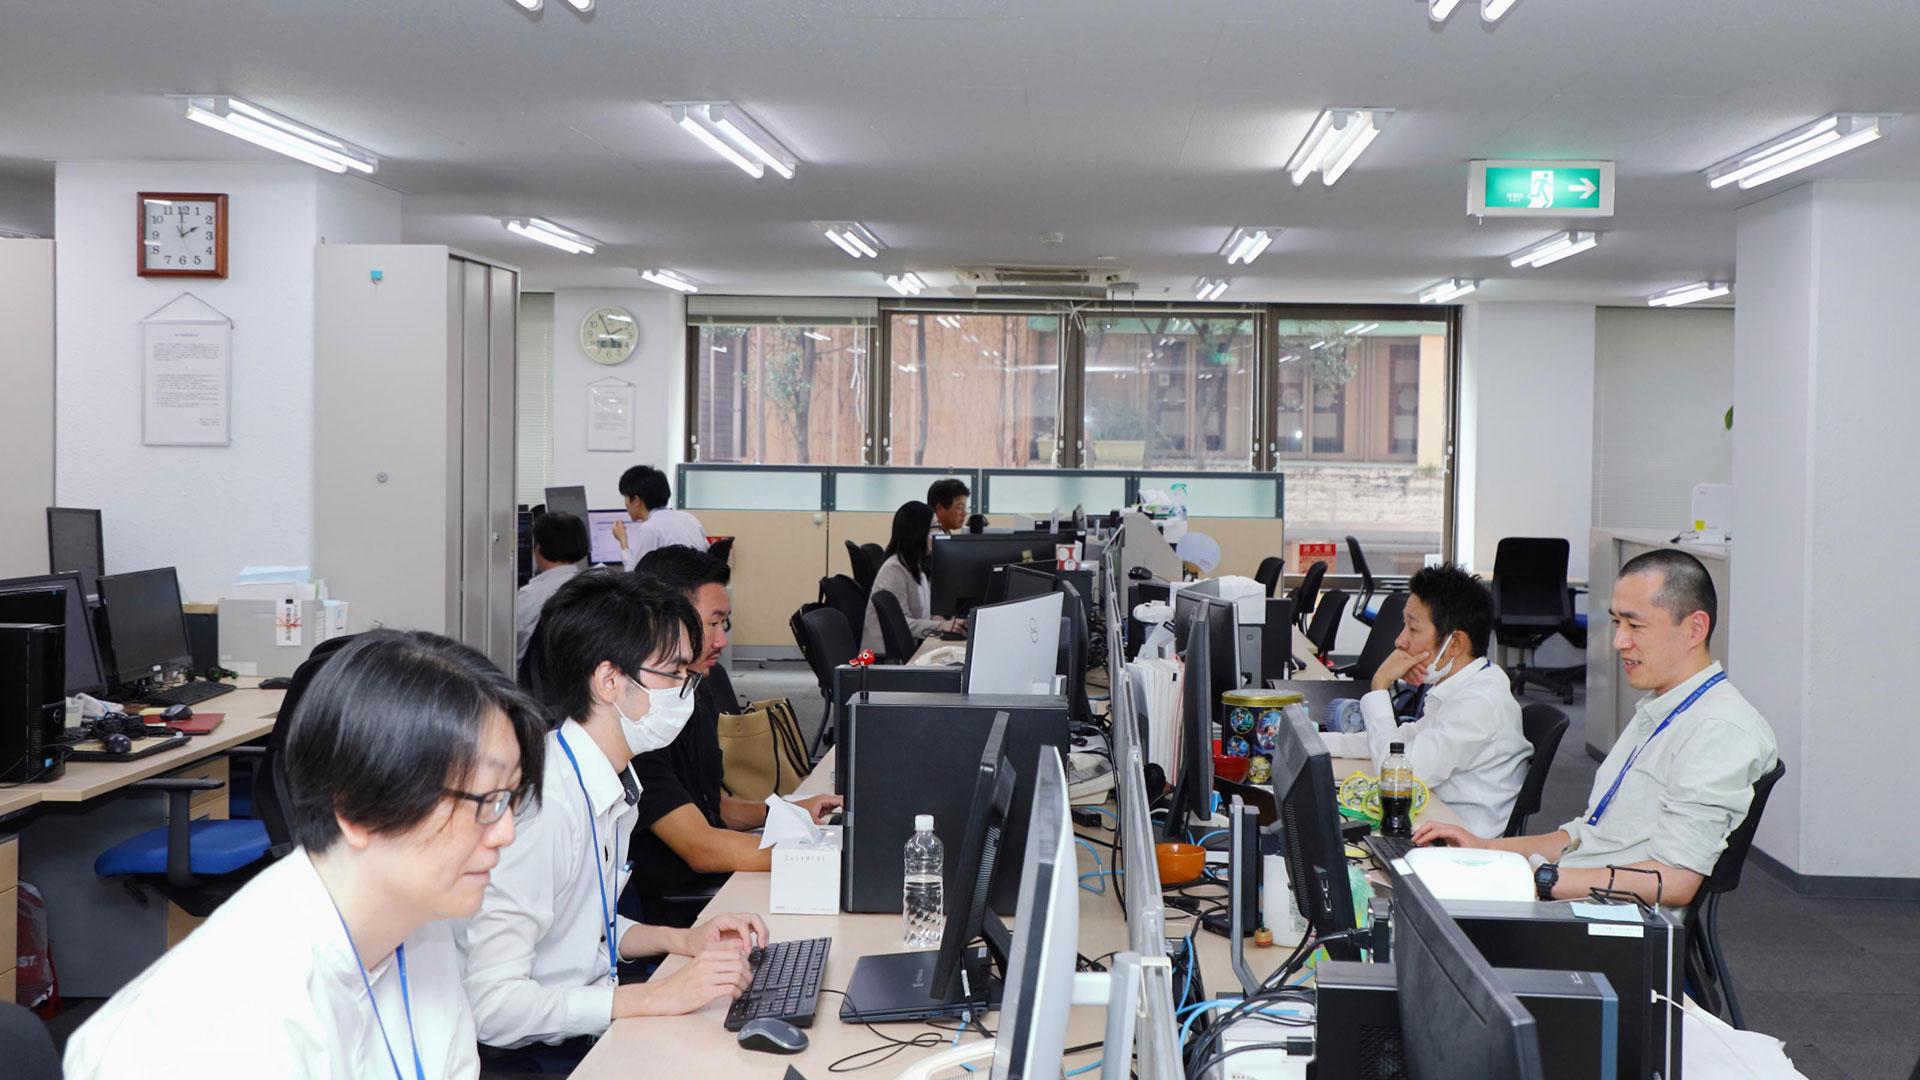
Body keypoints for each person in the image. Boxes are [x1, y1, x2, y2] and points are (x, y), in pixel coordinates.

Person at [65, 630, 547, 1079]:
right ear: (358, 810)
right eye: (486, 801)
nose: (506, 832)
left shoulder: (418, 925)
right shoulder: (221, 1037)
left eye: (511, 797)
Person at [462, 569, 766, 1071]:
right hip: (531, 1059)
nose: (686, 690)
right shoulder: (544, 810)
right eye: (674, 674)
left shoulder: (609, 780)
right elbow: (492, 1008)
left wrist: (683, 940)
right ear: (610, 681)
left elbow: (582, 926)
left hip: (582, 1027)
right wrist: (657, 996)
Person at [1414, 549, 1777, 908]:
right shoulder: (1662, 708)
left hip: (1606, 919)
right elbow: (1587, 836)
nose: (1619, 641)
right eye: (1617, 623)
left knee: (1416, 910)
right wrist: (1486, 848)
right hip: (1572, 891)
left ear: (1695, 628)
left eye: (1635, 625)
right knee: (1412, 884)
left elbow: (1674, 881)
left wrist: (1541, 881)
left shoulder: (1719, 729)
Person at [622, 547, 842, 925]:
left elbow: (709, 805)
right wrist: (817, 857)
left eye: (725, 624)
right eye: (713, 623)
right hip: (681, 908)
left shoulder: (697, 690)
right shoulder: (640, 722)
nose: (721, 640)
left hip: (721, 882)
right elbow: (701, 848)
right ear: (667, 621)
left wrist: (787, 812)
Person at [1322, 564, 1529, 839]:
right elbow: (1401, 742)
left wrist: (1380, 686)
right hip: (1432, 819)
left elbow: (1396, 777)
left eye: (1413, 628)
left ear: (1455, 643)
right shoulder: (1463, 682)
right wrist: (1316, 742)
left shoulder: (1478, 702)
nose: (1400, 641)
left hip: (1458, 847)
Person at [861, 500, 963, 657]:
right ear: (918, 531)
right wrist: (942, 626)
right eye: (935, 527)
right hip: (886, 658)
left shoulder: (917, 566)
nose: (940, 533)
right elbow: (901, 623)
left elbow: (926, 613)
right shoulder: (894, 570)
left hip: (909, 648)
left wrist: (951, 624)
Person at [516, 511, 587, 670]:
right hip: (574, 677)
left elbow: (503, 643)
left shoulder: (530, 597)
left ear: (538, 548)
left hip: (527, 679)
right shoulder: (591, 586)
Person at [611, 465, 708, 572]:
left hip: (674, 582)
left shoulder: (650, 528)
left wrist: (623, 541)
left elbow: (635, 576)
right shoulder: (689, 518)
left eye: (625, 497)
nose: (625, 504)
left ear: (636, 500)